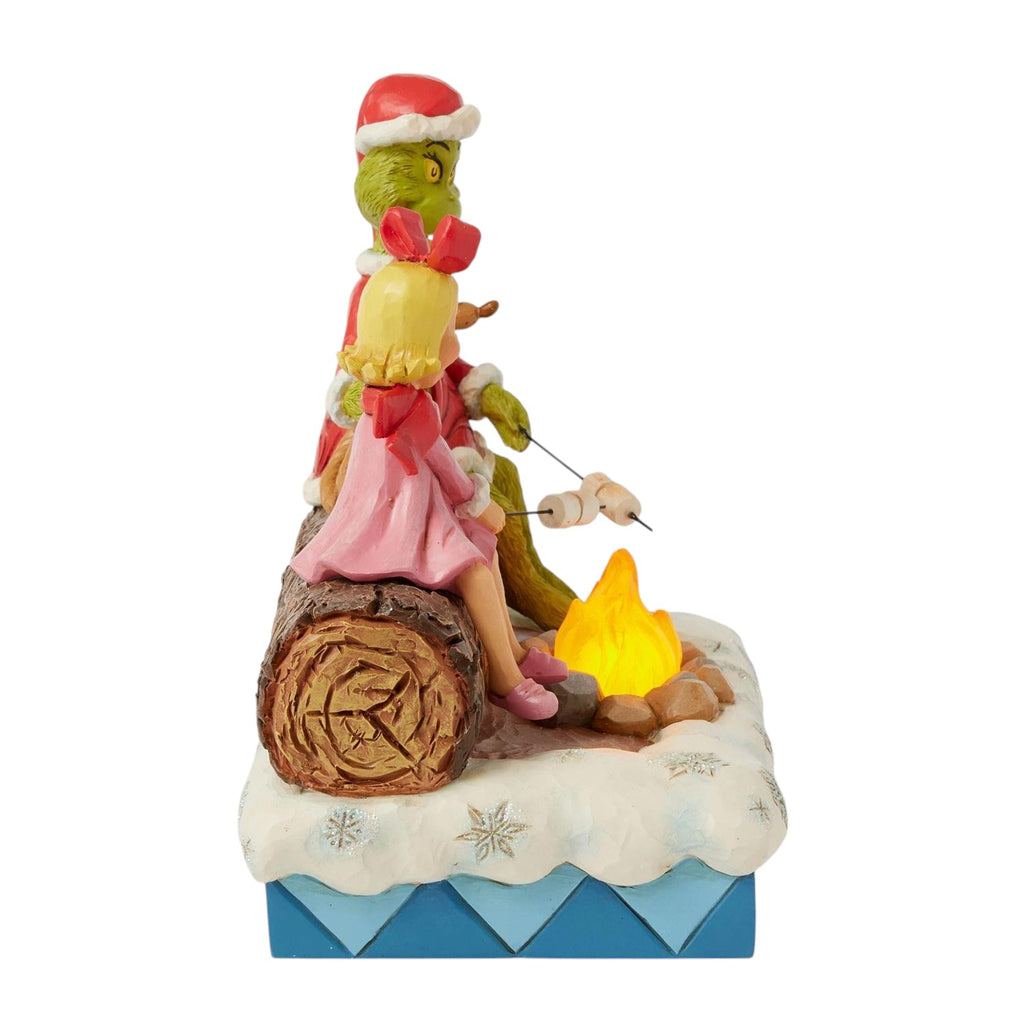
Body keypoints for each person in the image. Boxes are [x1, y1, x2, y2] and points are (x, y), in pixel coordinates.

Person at [291, 208, 565, 721]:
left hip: (408, 510)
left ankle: (515, 652)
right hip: (395, 530)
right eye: (446, 333)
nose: (455, 345)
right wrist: (483, 507)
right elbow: (449, 475)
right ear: (418, 345)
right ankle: (506, 680)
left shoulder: (384, 397)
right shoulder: (414, 409)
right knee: (477, 568)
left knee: (486, 550)